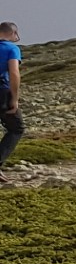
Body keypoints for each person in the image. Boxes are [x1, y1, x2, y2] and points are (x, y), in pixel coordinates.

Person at [0, 22, 24, 178]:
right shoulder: (12, 49)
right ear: (13, 33)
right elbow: (14, 73)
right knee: (16, 128)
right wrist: (14, 99)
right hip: (2, 92)